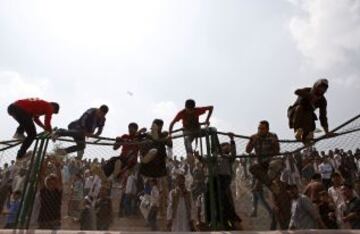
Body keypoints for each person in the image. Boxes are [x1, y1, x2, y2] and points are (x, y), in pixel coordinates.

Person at [288, 79, 333, 144]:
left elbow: (323, 117)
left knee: (310, 119)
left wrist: (327, 131)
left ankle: (306, 137)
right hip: (295, 114)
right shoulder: (308, 90)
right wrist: (310, 96)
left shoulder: (322, 101)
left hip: (307, 116)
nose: (321, 90)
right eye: (320, 87)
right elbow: (297, 91)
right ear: (316, 86)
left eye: (323, 89)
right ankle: (297, 131)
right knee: (300, 108)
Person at [246, 120, 280, 188]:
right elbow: (248, 150)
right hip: (260, 162)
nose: (260, 130)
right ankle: (270, 184)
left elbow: (277, 151)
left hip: (270, 161)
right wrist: (252, 142)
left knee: (276, 163)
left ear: (267, 129)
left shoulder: (273, 136)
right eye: (259, 128)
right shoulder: (254, 136)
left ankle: (265, 184)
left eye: (262, 129)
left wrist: (274, 143)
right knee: (252, 168)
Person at [38, 157, 63, 230]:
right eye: (50, 183)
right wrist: (46, 161)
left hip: (55, 220)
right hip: (43, 220)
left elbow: (60, 180)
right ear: (47, 183)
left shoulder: (58, 192)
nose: (52, 185)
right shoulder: (44, 190)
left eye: (54, 183)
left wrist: (58, 167)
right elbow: (41, 176)